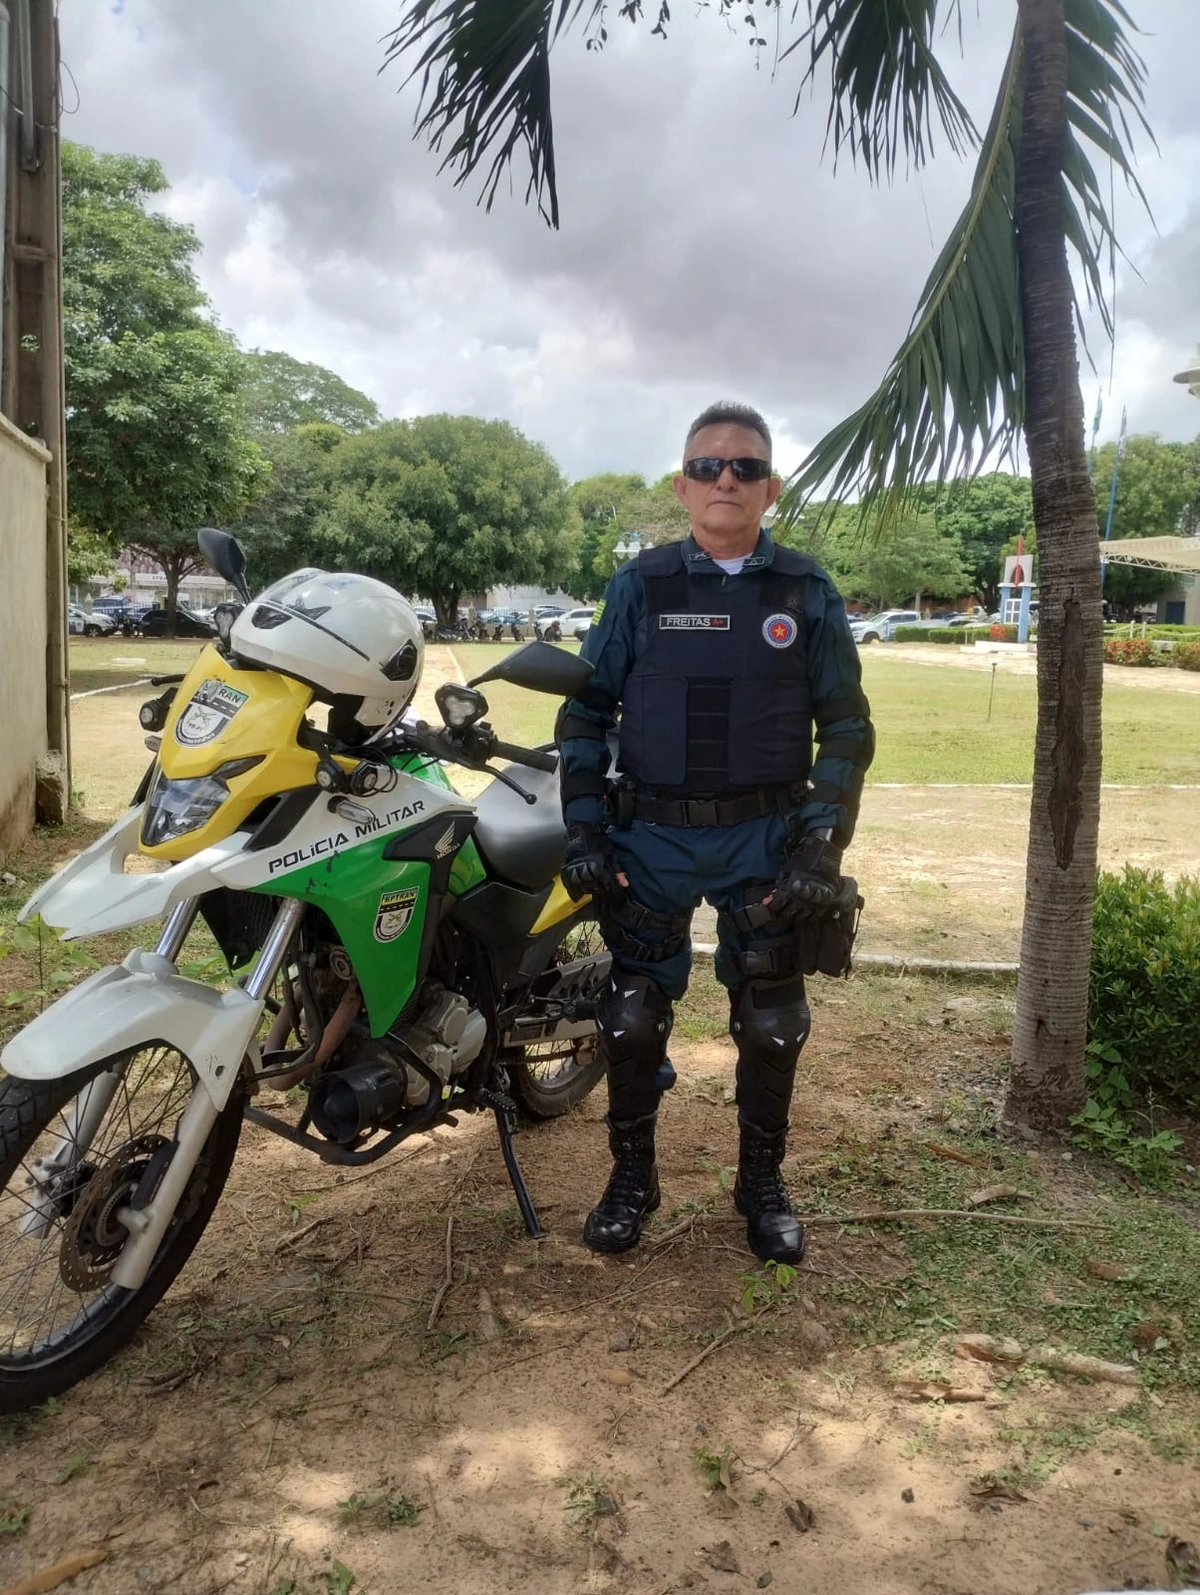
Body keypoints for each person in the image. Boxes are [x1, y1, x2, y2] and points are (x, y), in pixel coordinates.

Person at [556, 401, 874, 1264]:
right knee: (628, 1016)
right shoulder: (641, 585)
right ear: (682, 485)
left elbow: (845, 726)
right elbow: (584, 709)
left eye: (743, 467)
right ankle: (633, 1178)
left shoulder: (804, 591)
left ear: (769, 488)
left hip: (764, 838)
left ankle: (760, 1183)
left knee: (773, 1020)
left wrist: (820, 848)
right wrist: (584, 831)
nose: (724, 479)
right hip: (650, 836)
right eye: (707, 466)